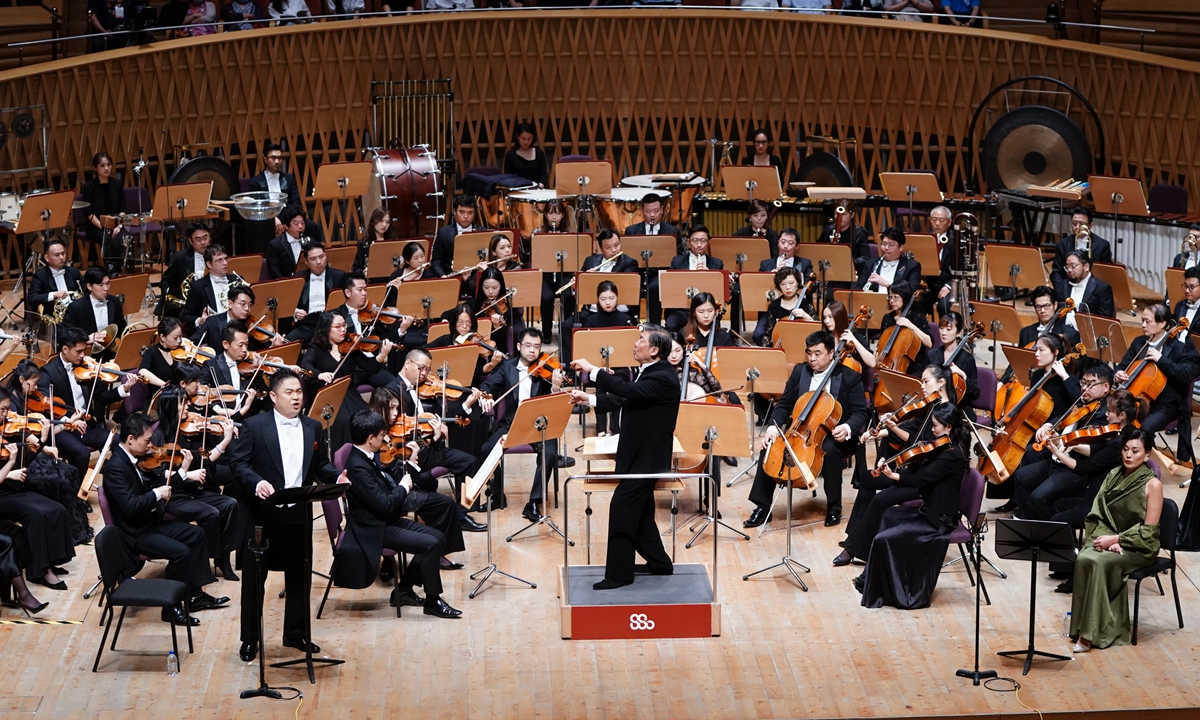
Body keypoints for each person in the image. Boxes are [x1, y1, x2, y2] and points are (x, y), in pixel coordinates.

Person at [231, 370, 346, 663]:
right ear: (272, 397)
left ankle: (296, 632)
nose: (296, 397)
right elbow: (239, 463)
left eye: (299, 392)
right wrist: (256, 482)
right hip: (263, 514)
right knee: (256, 579)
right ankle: (250, 639)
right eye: (289, 392)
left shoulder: (312, 426)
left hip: (298, 512)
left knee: (300, 575)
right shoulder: (254, 426)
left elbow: (319, 464)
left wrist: (338, 476)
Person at [568, 325, 679, 589]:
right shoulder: (652, 373)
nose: (635, 343)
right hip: (637, 456)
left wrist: (591, 370)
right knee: (640, 515)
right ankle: (660, 563)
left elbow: (627, 392)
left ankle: (619, 575)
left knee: (622, 507)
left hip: (647, 459)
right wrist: (590, 400)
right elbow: (627, 400)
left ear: (654, 350)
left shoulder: (664, 376)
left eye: (641, 340)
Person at [104, 413, 229, 626]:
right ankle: (170, 608)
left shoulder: (138, 460)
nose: (151, 445)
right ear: (131, 439)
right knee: (181, 552)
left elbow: (163, 483)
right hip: (135, 534)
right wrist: (156, 494)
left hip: (150, 523)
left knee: (196, 534)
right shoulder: (116, 468)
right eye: (147, 440)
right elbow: (131, 506)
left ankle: (195, 595)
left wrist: (182, 472)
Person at [335, 410, 461, 618]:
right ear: (370, 438)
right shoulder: (357, 466)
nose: (386, 438)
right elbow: (384, 504)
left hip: (385, 520)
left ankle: (403, 591)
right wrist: (403, 487)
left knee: (438, 538)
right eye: (382, 434)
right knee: (429, 544)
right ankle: (433, 601)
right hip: (373, 529)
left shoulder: (366, 455)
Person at [744, 330, 869, 528]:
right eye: (809, 353)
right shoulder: (799, 372)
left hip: (836, 434)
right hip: (802, 431)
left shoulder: (849, 376)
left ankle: (834, 506)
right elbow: (784, 405)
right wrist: (772, 429)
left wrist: (846, 427)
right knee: (770, 447)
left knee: (829, 451)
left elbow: (861, 412)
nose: (812, 358)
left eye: (818, 353)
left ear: (831, 353)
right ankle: (762, 506)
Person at [855, 403, 968, 609]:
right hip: (929, 510)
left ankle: (893, 590)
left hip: (938, 520)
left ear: (949, 427)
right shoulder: (941, 446)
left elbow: (921, 480)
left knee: (882, 538)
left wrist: (892, 475)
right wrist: (895, 472)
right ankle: (872, 580)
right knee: (887, 516)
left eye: (936, 426)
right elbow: (919, 471)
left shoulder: (952, 455)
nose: (932, 429)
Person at [1069, 428, 1163, 651]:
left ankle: (1091, 634)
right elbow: (1097, 514)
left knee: (1100, 562)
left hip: (1139, 547)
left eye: (1136, 451)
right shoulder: (1113, 475)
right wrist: (1106, 539)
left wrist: (1117, 539)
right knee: (1084, 558)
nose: (1129, 455)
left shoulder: (1153, 485)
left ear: (1147, 454)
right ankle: (1080, 627)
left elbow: (1149, 532)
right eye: (1126, 449)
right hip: (1112, 538)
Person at [152, 385, 240, 581]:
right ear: (168, 407)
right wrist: (186, 473)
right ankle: (205, 560)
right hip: (173, 494)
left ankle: (223, 558)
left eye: (186, 402)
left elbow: (207, 459)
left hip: (194, 490)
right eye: (180, 404)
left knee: (230, 504)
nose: (187, 408)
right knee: (211, 513)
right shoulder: (158, 435)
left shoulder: (192, 429)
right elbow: (156, 472)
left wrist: (225, 441)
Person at [1015, 382, 1137, 524]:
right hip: (1066, 464)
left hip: (1089, 482)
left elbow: (1086, 466)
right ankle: (1029, 523)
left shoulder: (1120, 441)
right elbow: (1095, 449)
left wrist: (1058, 449)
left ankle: (1054, 535)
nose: (1106, 414)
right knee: (1021, 476)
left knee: (1039, 498)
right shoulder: (1113, 430)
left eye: (1109, 411)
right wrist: (1070, 442)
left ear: (1121, 415)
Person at [478, 329, 566, 520]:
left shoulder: (546, 369)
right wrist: (485, 397)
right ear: (518, 347)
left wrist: (556, 386)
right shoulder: (507, 367)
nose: (532, 351)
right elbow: (487, 386)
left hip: (540, 424)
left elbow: (557, 402)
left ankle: (534, 502)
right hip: (512, 423)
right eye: (528, 346)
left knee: (549, 453)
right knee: (487, 449)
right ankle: (497, 495)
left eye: (536, 346)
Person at [38, 327, 140, 482]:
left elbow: (103, 398)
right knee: (82, 454)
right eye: (78, 351)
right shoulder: (47, 373)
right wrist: (70, 420)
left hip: (87, 426)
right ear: (65, 349)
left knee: (121, 442)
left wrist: (124, 388)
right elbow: (45, 407)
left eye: (84, 350)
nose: (83, 355)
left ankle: (116, 481)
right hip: (63, 429)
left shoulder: (87, 367)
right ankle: (74, 494)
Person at [1114, 304, 1200, 463]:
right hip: (1137, 399)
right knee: (1111, 415)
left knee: (1143, 428)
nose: (1143, 325)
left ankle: (1144, 465)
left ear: (1163, 324)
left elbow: (1187, 375)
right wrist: (1117, 374)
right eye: (1142, 320)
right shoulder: (1139, 342)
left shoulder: (1180, 349)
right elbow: (1122, 366)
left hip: (1166, 405)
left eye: (1147, 321)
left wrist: (1161, 359)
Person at [300, 311, 395, 448]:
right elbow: (306, 365)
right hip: (329, 397)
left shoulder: (351, 347)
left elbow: (369, 368)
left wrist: (382, 355)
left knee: (366, 417)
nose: (343, 329)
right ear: (326, 329)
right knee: (344, 421)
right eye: (338, 327)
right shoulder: (316, 349)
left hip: (350, 394)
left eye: (344, 325)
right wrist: (319, 375)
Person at [649, 225, 725, 329]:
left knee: (715, 330)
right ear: (688, 243)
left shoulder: (717, 263)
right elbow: (670, 286)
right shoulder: (677, 261)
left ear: (708, 243)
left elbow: (720, 291)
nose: (699, 245)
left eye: (703, 241)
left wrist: (709, 274)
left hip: (706, 310)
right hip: (681, 309)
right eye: (695, 241)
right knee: (671, 325)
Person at [180, 245, 249, 336]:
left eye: (226, 259)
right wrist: (200, 321)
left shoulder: (237, 280)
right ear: (209, 264)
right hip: (212, 333)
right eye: (219, 260)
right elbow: (185, 316)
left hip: (237, 330)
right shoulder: (198, 286)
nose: (225, 263)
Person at [287, 242, 347, 344]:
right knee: (288, 341)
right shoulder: (298, 278)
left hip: (332, 322)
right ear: (306, 261)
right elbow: (288, 302)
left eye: (321, 257)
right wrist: (295, 311)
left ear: (326, 255)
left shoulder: (339, 276)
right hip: (308, 323)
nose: (319, 262)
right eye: (313, 259)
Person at [61, 266, 126, 360]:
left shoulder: (114, 302)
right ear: (89, 286)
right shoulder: (76, 307)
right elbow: (64, 334)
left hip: (111, 356)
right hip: (86, 356)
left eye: (108, 283)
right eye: (101, 285)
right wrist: (85, 339)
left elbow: (121, 327)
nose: (106, 288)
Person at [876, 281, 933, 377]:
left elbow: (929, 342)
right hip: (888, 363)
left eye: (896, 297)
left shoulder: (917, 317)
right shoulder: (887, 318)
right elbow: (881, 344)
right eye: (890, 296)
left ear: (905, 297)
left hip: (913, 366)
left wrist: (911, 326)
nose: (892, 301)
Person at [925, 311, 979, 410]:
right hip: (935, 405)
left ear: (959, 333)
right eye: (941, 328)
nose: (943, 333)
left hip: (959, 408)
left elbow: (975, 394)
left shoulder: (967, 359)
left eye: (949, 329)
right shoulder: (932, 355)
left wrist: (963, 376)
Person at [1051, 207, 1112, 288]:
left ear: (1090, 225)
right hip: (1069, 286)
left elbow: (1106, 275)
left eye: (1082, 224)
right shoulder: (1062, 244)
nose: (1077, 227)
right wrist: (1063, 290)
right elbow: (1056, 272)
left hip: (1092, 288)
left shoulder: (1102, 245)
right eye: (1074, 223)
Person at [26, 238, 83, 322]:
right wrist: (53, 294)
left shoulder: (73, 272)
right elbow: (32, 298)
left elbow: (86, 291)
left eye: (63, 254)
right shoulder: (40, 276)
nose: (61, 257)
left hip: (76, 314)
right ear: (47, 257)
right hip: (54, 319)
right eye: (57, 255)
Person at [162, 222, 212, 315]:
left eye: (205, 237)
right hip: (188, 305)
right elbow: (166, 281)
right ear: (190, 241)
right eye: (198, 239)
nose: (203, 242)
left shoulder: (218, 255)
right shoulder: (180, 258)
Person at [79, 151, 126, 249]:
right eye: (102, 165)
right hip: (96, 227)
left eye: (109, 165)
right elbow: (89, 213)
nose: (106, 168)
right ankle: (110, 264)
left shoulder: (117, 184)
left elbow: (123, 209)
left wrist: (118, 226)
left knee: (125, 239)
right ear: (95, 168)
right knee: (109, 240)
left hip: (116, 225)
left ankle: (121, 264)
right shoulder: (89, 186)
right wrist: (104, 228)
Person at [854, 226, 921, 293]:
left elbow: (912, 291)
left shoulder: (912, 266)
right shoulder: (870, 264)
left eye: (891, 245)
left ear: (901, 247)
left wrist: (886, 285)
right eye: (884, 244)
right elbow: (858, 289)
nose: (886, 248)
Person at [1054, 251, 1115, 320]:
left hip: (1086, 329)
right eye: (1067, 267)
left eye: (1073, 266)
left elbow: (1105, 320)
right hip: (1062, 329)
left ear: (1086, 267)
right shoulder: (1061, 285)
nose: (1069, 270)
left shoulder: (1102, 288)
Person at [430, 195, 480, 277]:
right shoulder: (444, 233)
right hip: (452, 277)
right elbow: (436, 262)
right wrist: (443, 276)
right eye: (461, 212)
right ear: (455, 212)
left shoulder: (482, 231)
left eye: (470, 213)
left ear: (475, 214)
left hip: (477, 277)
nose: (465, 216)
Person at [817, 199, 872, 272]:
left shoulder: (860, 233)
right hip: (830, 271)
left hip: (851, 272)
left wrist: (845, 262)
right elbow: (818, 251)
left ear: (852, 215)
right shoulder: (828, 230)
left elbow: (865, 258)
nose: (839, 217)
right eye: (837, 213)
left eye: (843, 214)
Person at [266, 207, 309, 280]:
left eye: (302, 223)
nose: (300, 226)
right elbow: (274, 271)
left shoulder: (310, 241)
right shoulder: (275, 245)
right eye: (296, 223)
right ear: (286, 226)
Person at [503, 122, 550, 187]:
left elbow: (543, 175)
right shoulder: (510, 155)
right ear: (517, 137)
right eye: (523, 139)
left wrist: (540, 185)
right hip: (518, 189)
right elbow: (508, 176)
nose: (526, 142)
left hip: (536, 189)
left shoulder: (539, 153)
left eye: (529, 139)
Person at [354, 208, 396, 275]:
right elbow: (356, 268)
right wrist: (363, 272)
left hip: (390, 278)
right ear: (374, 221)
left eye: (387, 222)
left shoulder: (393, 241)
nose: (384, 225)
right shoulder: (363, 243)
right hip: (370, 280)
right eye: (381, 221)